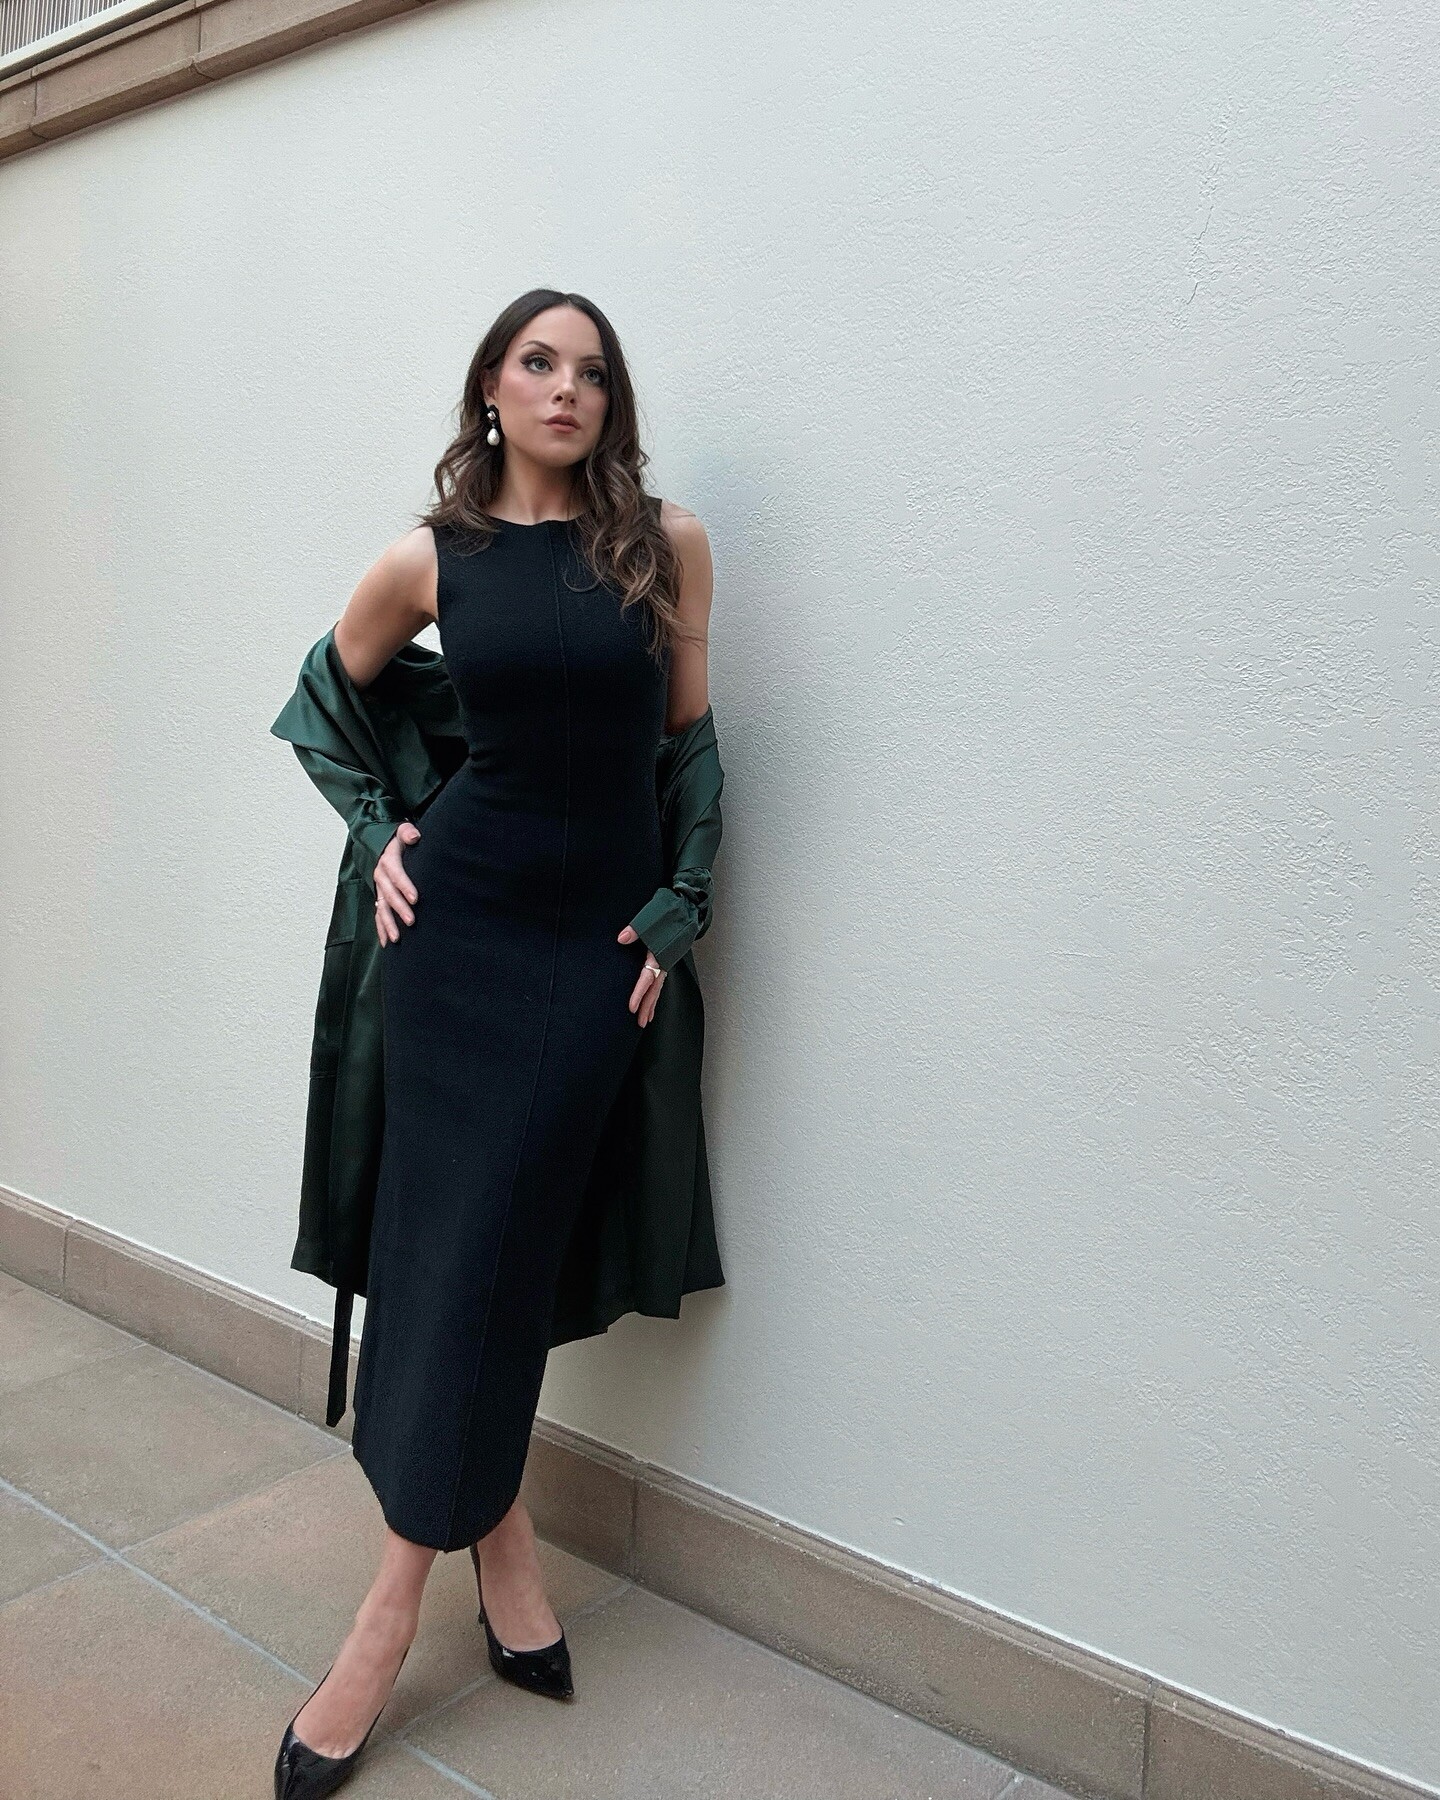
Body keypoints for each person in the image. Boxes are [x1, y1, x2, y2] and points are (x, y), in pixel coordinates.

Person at [273, 289, 717, 1799]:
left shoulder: (664, 546)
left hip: (593, 958)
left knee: (499, 1246)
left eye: (591, 371)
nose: (565, 388)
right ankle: (451, 1577)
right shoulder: (432, 558)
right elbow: (325, 696)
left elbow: (689, 744)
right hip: (455, 938)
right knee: (453, 1247)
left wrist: (681, 904)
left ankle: (425, 1581)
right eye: (538, 363)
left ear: (612, 402)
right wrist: (379, 833)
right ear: (491, 387)